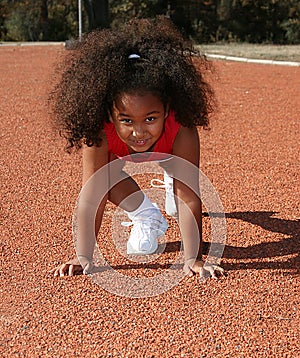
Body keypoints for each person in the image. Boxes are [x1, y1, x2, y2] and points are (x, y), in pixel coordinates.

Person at [50, 17, 225, 280]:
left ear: (167, 110)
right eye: (127, 120)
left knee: (179, 193)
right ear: (110, 116)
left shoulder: (182, 129)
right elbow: (91, 195)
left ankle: (170, 178)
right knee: (102, 178)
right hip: (119, 155)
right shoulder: (101, 132)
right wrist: (84, 255)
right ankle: (145, 213)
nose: (139, 132)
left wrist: (193, 258)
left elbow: (188, 195)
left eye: (151, 118)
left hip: (169, 152)